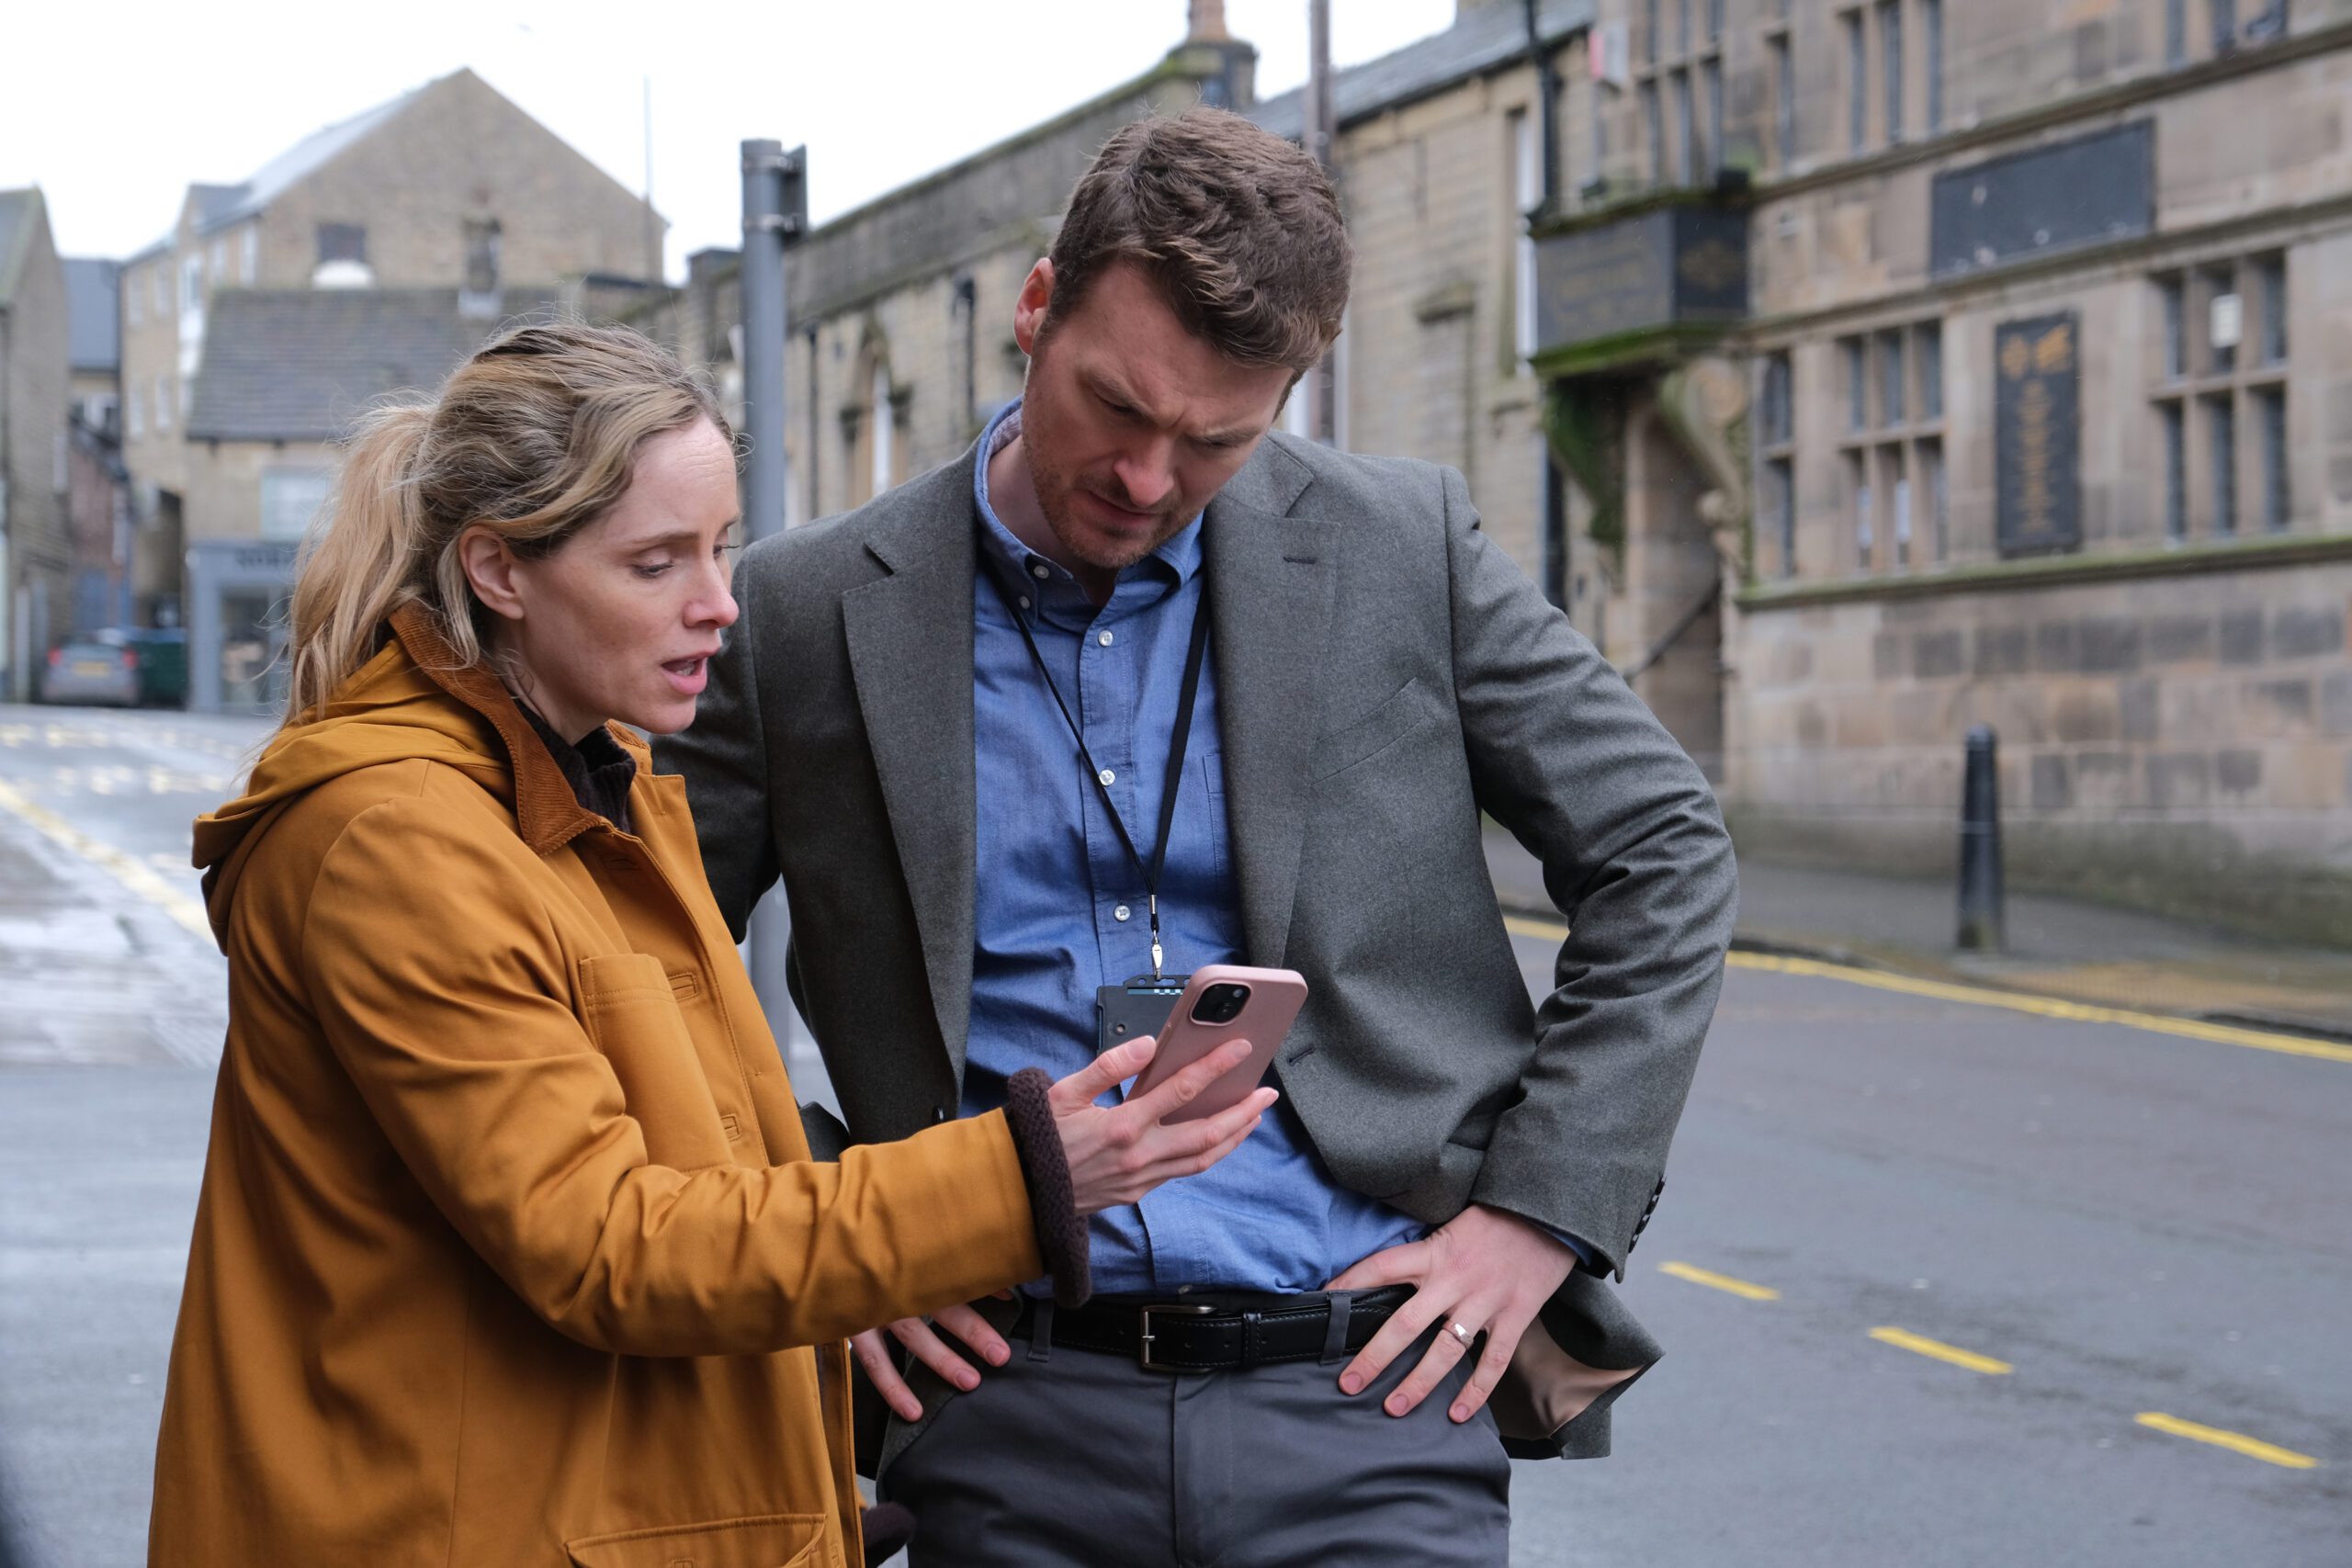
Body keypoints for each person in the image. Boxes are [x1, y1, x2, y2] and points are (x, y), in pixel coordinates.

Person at [659, 108, 1739, 1566]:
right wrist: (829, 1227)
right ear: (1038, 310)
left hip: (1372, 1393)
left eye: (1219, 439)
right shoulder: (801, 611)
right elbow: (633, 961)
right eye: (1117, 406)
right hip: (1003, 1394)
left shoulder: (1398, 544)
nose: (1150, 479)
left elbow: (1665, 845)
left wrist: (1540, 1215)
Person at [147, 320, 1273, 1568]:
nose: (718, 605)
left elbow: (714, 1170)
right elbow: (612, 1247)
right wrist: (1024, 1178)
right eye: (655, 563)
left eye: (723, 548)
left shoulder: (604, 786)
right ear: (499, 572)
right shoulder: (397, 843)